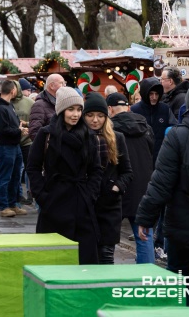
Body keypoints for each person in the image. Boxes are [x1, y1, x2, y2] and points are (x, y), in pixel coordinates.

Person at [136, 81, 189, 306]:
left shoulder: (177, 135)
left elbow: (161, 183)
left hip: (181, 221)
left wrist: (145, 218)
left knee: (180, 280)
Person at [27, 87, 103, 264]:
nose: (75, 114)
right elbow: (33, 167)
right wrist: (43, 196)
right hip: (54, 202)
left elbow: (96, 170)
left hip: (81, 204)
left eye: (79, 109)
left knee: (84, 260)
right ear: (61, 110)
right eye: (71, 109)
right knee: (52, 260)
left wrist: (90, 195)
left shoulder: (89, 136)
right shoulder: (46, 134)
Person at [83, 93, 133, 264]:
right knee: (88, 257)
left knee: (106, 255)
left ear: (106, 116)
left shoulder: (117, 138)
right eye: (90, 115)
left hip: (109, 206)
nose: (95, 120)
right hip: (86, 205)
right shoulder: (79, 138)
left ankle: (106, 291)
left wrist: (116, 187)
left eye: (100, 115)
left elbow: (127, 171)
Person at [130, 77, 176, 259]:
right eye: (151, 94)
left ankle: (157, 241)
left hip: (161, 161)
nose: (154, 97)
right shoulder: (135, 110)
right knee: (146, 199)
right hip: (141, 163)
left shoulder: (165, 109)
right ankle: (148, 238)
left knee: (161, 203)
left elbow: (173, 128)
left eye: (157, 93)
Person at [107, 93, 156, 263]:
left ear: (110, 109)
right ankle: (147, 280)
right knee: (144, 236)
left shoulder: (109, 130)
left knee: (107, 237)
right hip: (143, 188)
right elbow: (152, 154)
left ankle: (105, 278)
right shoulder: (146, 127)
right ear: (127, 107)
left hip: (118, 187)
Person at [0, 80, 28, 217]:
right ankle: (4, 206)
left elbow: (10, 126)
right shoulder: (1, 108)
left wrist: (19, 128)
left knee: (15, 176)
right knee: (5, 176)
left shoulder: (8, 106)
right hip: (6, 146)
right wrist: (18, 130)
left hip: (14, 145)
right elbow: (3, 130)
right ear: (13, 90)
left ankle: (13, 204)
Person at [13, 79, 35, 204]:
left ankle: (31, 193)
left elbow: (36, 119)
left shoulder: (30, 102)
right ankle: (17, 196)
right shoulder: (7, 103)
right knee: (15, 171)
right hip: (12, 142)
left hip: (27, 142)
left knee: (30, 169)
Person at [28, 73, 66, 141]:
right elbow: (34, 132)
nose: (65, 86)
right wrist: (50, 145)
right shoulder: (39, 105)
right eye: (61, 83)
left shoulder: (61, 102)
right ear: (51, 86)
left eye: (65, 83)